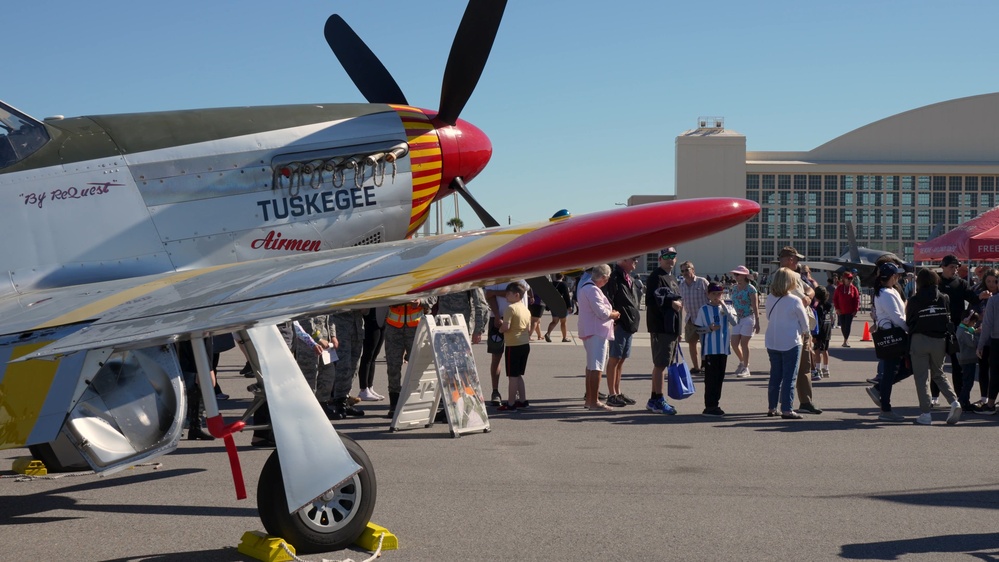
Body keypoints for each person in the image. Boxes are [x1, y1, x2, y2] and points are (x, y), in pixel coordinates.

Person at [908, 267, 962, 425]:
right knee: (939, 374)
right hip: (939, 340)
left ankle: (925, 414)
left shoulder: (914, 300)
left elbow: (909, 320)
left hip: (919, 339)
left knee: (921, 377)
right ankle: (954, 402)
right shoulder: (944, 297)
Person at [866, 262, 912, 422]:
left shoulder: (886, 291)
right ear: (893, 276)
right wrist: (910, 329)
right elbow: (897, 317)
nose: (898, 278)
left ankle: (880, 392)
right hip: (893, 335)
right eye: (897, 275)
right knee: (895, 370)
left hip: (890, 334)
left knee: (895, 369)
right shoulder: (887, 293)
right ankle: (885, 407)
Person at [778, 246, 821, 414]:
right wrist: (806, 297)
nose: (797, 262)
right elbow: (802, 298)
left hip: (793, 327)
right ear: (789, 259)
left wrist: (808, 296)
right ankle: (789, 403)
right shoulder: (785, 277)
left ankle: (801, 401)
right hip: (792, 328)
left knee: (799, 367)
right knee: (793, 368)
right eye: (795, 259)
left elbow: (810, 288)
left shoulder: (794, 277)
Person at [939, 254, 987, 402]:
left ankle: (959, 397)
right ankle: (934, 396)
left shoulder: (960, 283)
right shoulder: (936, 281)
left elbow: (971, 297)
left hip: (955, 328)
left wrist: (981, 296)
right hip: (938, 327)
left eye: (956, 267)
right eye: (951, 267)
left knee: (956, 364)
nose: (954, 270)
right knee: (936, 364)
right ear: (943, 266)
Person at [764, 268, 810, 419]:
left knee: (775, 376)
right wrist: (807, 335)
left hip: (772, 340)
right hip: (791, 341)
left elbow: (769, 317)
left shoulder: (770, 297)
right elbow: (805, 323)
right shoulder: (795, 300)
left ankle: (772, 407)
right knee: (789, 377)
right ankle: (787, 409)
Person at [644, 247, 682, 415]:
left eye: (672, 256)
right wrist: (670, 304)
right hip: (661, 327)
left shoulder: (672, 277)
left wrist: (678, 330)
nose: (669, 259)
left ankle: (653, 399)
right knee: (660, 364)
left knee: (663, 364)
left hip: (671, 327)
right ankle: (659, 399)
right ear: (659, 259)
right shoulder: (656, 276)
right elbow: (651, 300)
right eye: (666, 256)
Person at [384, 297, 435, 418]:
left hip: (416, 328)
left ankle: (415, 402)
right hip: (393, 327)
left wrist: (421, 301)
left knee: (418, 368)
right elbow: (381, 296)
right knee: (393, 366)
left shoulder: (421, 277)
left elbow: (433, 296)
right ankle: (394, 404)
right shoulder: (393, 279)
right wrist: (393, 300)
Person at [578, 264, 620, 411]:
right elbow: (601, 313)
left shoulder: (585, 287)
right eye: (607, 278)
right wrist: (613, 314)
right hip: (596, 332)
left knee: (591, 366)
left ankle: (590, 400)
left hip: (591, 331)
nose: (607, 281)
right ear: (603, 277)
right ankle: (594, 401)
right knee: (596, 367)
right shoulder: (593, 290)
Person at [601, 257, 641, 407]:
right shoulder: (614, 278)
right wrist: (614, 321)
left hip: (629, 323)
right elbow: (608, 299)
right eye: (634, 259)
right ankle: (612, 394)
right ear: (624, 260)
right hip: (620, 323)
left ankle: (618, 392)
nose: (636, 261)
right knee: (614, 358)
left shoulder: (628, 278)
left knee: (621, 359)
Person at [694, 282, 737, 416]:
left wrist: (724, 306)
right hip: (710, 350)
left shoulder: (727, 307)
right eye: (713, 294)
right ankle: (710, 405)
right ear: (708, 295)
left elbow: (734, 322)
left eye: (719, 293)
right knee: (711, 379)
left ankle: (715, 404)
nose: (716, 296)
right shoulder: (703, 309)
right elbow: (698, 329)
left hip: (723, 349)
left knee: (719, 378)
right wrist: (709, 329)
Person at [485, 279, 530, 406]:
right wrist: (497, 316)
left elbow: (522, 289)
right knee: (496, 356)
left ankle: (515, 395)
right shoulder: (495, 274)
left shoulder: (519, 273)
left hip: (517, 320)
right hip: (497, 318)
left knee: (515, 361)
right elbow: (488, 294)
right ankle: (495, 391)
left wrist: (495, 292)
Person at [498, 283, 532, 411]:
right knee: (518, 375)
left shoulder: (510, 309)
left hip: (513, 344)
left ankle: (511, 403)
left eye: (508, 293)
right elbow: (528, 329)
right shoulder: (526, 309)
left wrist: (500, 328)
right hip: (524, 344)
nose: (506, 295)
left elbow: (506, 327)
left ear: (516, 295)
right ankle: (522, 400)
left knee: (512, 376)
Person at [678, 260, 710, 374]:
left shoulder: (702, 282)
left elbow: (711, 298)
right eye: (682, 271)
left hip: (704, 319)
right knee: (691, 343)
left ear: (693, 270)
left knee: (705, 344)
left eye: (687, 270)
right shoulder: (681, 286)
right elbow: (680, 304)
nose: (685, 273)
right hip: (690, 319)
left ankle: (705, 365)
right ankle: (696, 367)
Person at [728, 265, 759, 378]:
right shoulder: (735, 288)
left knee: (744, 343)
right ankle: (742, 362)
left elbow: (755, 306)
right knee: (734, 343)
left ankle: (746, 368)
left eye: (738, 274)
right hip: (737, 318)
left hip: (748, 317)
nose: (736, 277)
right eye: (735, 274)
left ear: (745, 276)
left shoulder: (751, 289)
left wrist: (757, 322)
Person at [956, 310, 981, 413]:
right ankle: (962, 401)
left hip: (965, 359)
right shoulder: (964, 332)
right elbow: (973, 343)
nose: (974, 325)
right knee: (968, 382)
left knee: (967, 381)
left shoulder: (962, 329)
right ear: (967, 321)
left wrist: (973, 331)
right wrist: (977, 334)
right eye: (973, 322)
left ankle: (965, 401)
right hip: (967, 359)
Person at [811, 285, 834, 379]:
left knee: (818, 351)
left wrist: (815, 334)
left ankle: (818, 368)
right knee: (825, 350)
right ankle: (826, 369)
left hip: (820, 332)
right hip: (827, 331)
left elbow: (818, 321)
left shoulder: (818, 308)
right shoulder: (828, 306)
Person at [544, 273, 573, 342]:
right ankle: (564, 337)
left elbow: (548, 295)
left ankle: (548, 333)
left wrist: (547, 306)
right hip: (561, 305)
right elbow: (566, 296)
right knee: (563, 322)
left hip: (553, 305)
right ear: (562, 276)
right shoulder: (563, 284)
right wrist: (569, 306)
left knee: (554, 321)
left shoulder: (552, 284)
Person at [834, 272, 860, 347]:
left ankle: (846, 340)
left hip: (850, 311)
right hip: (841, 311)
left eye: (851, 278)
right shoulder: (839, 288)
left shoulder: (854, 289)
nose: (850, 280)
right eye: (848, 278)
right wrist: (837, 308)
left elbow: (857, 299)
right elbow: (835, 299)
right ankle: (845, 338)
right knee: (843, 325)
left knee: (848, 325)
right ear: (844, 279)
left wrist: (856, 309)